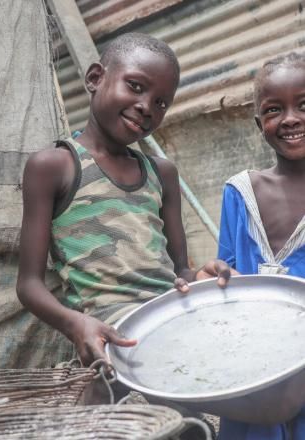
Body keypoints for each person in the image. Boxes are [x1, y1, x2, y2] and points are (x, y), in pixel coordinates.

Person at [16, 32, 232, 369]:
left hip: (173, 326)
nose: (146, 107)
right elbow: (29, 285)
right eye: (135, 86)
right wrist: (77, 324)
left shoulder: (162, 173)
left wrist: (200, 278)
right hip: (110, 341)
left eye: (161, 102)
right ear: (94, 79)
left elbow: (179, 272)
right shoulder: (55, 167)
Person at [217, 52, 305, 439]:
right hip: (255, 372)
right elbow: (226, 276)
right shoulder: (239, 192)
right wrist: (215, 278)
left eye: (304, 105)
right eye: (274, 109)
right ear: (259, 124)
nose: (290, 118)